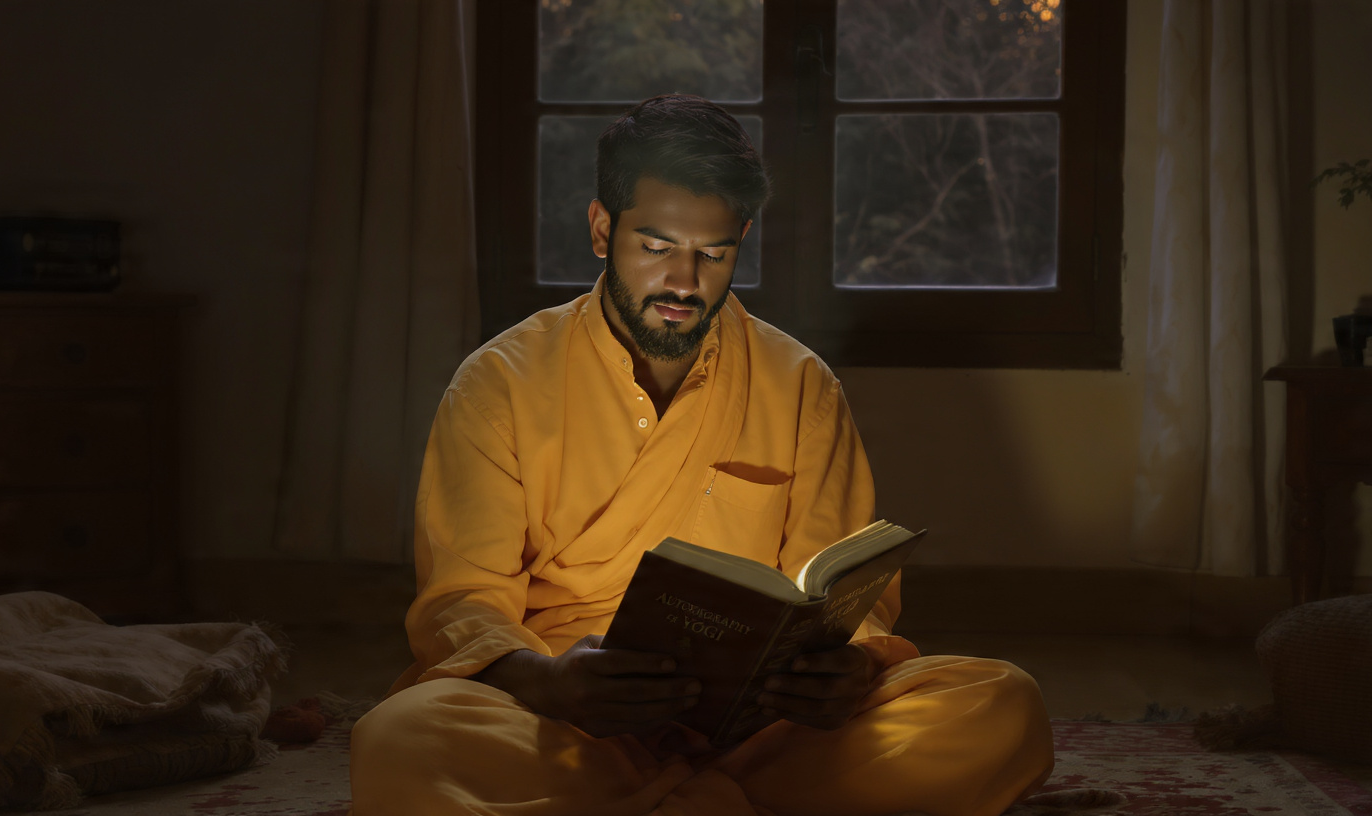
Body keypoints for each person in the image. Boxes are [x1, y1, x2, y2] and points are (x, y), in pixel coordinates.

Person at [350, 94, 1054, 816]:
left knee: (999, 705)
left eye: (712, 254)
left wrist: (840, 668)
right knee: (401, 741)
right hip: (569, 722)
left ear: (741, 238)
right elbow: (464, 602)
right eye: (655, 248)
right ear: (601, 229)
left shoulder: (799, 384)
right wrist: (552, 682)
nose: (683, 283)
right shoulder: (500, 382)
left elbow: (846, 603)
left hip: (761, 732)